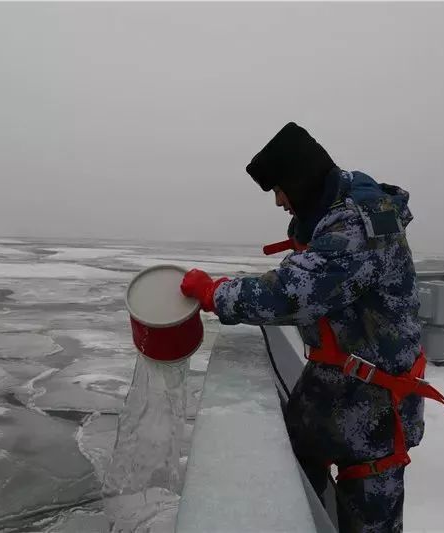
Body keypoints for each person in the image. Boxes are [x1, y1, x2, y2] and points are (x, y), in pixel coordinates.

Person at [180, 122, 424, 533]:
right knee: (292, 473)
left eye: (279, 189)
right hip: (332, 391)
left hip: (375, 409)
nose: (278, 202)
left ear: (301, 180)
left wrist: (215, 294)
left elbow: (293, 293)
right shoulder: (332, 213)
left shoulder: (358, 227)